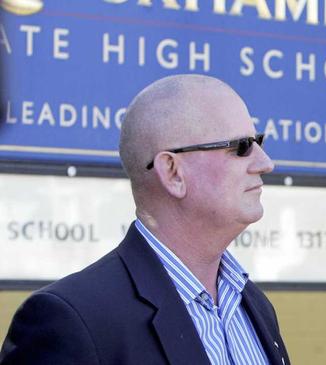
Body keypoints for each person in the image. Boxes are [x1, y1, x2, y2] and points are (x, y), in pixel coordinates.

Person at [0, 74, 290, 365]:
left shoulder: (253, 304)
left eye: (259, 142)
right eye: (241, 147)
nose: (265, 163)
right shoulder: (71, 322)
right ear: (173, 172)